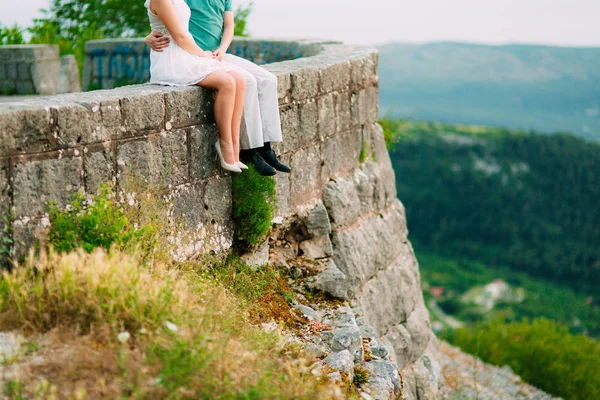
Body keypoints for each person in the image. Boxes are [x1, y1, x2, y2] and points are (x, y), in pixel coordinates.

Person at [146, 0, 290, 176]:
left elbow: (228, 25)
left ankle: (264, 147)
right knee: (247, 81)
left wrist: (222, 49)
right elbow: (166, 19)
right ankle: (249, 150)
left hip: (215, 54)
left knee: (267, 79)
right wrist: (150, 36)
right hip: (192, 55)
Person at [145, 0, 247, 173]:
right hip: (171, 60)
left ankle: (235, 146)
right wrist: (203, 54)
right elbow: (180, 36)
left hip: (185, 54)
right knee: (227, 82)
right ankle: (224, 143)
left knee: (240, 79)